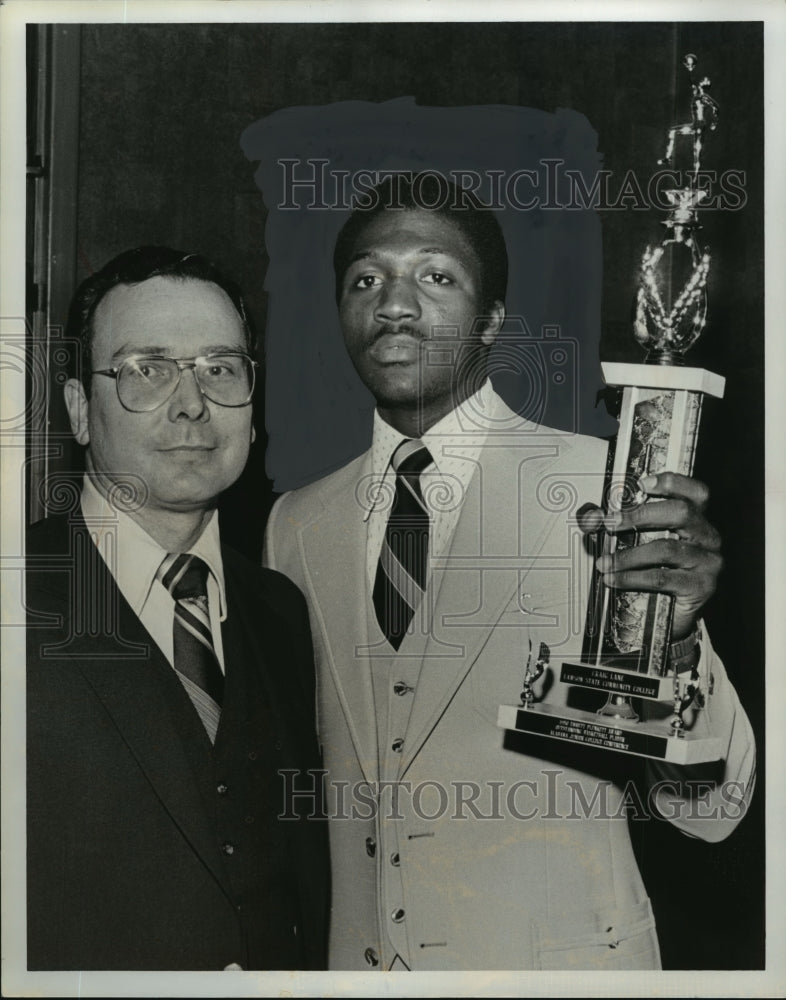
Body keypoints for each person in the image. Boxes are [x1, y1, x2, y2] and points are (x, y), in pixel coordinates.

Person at [263, 176, 756, 971]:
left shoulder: (607, 495)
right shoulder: (294, 524)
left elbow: (712, 809)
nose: (392, 304)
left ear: (493, 319)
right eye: (366, 279)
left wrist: (677, 643)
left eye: (435, 275)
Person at [26, 246, 328, 971]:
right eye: (147, 371)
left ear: (253, 411)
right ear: (79, 411)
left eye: (220, 369)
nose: (192, 404)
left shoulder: (280, 610)